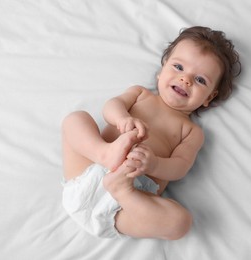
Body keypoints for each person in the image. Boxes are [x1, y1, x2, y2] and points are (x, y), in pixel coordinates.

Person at [61, 26, 241, 240]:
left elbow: (180, 167)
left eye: (200, 80)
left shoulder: (191, 131)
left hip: (126, 207)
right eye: (178, 67)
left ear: (209, 98)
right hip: (88, 171)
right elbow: (111, 106)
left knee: (180, 223)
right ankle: (105, 152)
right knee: (76, 119)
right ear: (161, 71)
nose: (186, 80)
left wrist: (154, 164)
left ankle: (121, 189)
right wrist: (123, 119)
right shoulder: (140, 94)